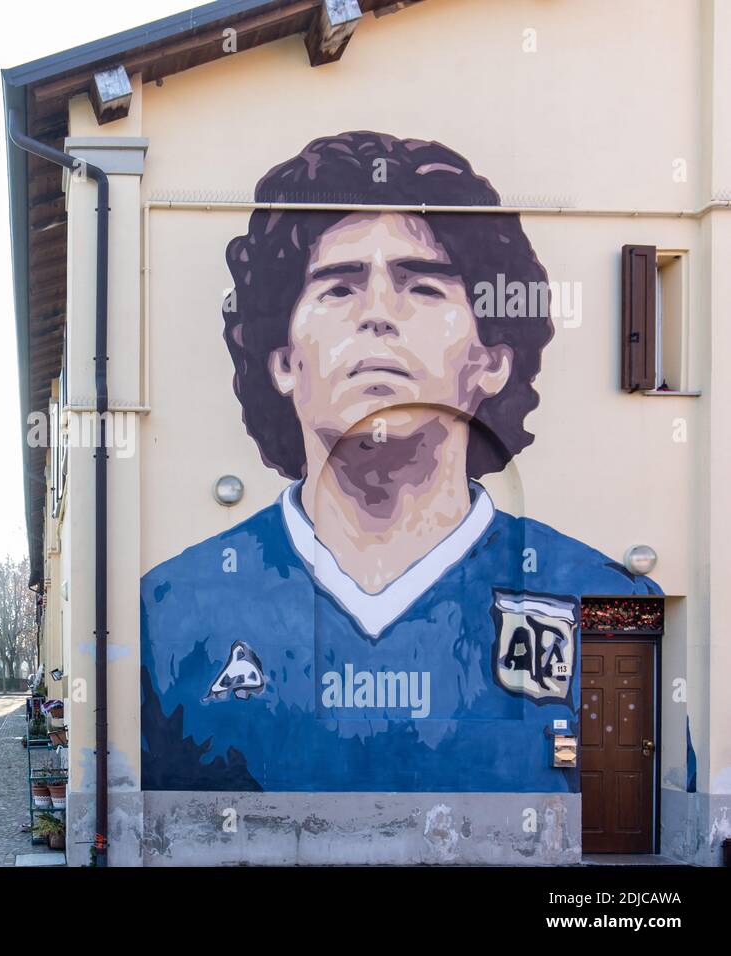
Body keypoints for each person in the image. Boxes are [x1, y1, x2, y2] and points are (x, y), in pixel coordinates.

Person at [140, 131, 660, 793]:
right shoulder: (168, 611)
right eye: (337, 288)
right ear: (281, 361)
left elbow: (637, 801)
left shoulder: (601, 597)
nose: (379, 315)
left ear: (493, 360)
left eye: (422, 287)